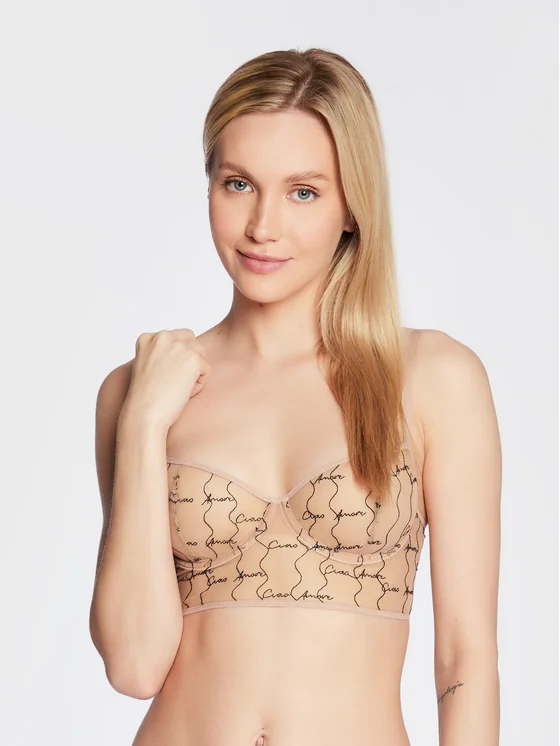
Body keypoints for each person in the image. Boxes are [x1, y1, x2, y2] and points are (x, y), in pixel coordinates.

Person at [89, 47, 502, 746]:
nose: (263, 226)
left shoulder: (433, 377)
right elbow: (133, 665)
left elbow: (465, 659)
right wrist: (144, 422)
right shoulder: (139, 391)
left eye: (303, 192)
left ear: (352, 207)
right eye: (239, 184)